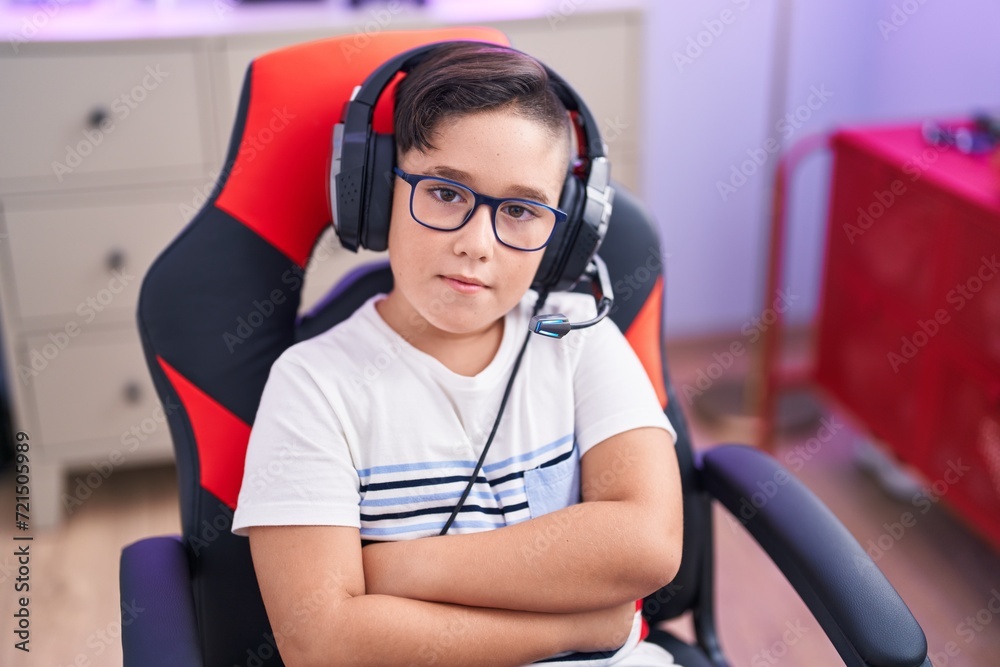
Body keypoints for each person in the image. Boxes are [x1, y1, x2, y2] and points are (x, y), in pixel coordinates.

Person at [231, 41, 684, 667]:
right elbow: (322, 640)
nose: (476, 244)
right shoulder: (314, 385)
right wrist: (573, 627)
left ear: (565, 235)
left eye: (522, 210)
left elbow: (647, 546)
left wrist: (390, 569)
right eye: (445, 193)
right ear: (376, 190)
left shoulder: (572, 335)